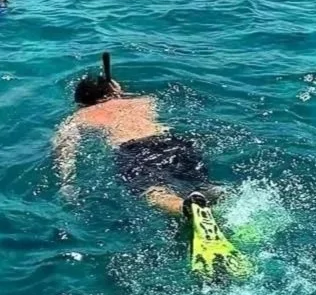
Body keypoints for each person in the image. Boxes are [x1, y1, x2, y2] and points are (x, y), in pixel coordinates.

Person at [52, 54, 216, 216]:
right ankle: (214, 195)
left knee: (153, 191)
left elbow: (65, 147)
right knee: (198, 182)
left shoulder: (79, 117)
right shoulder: (144, 101)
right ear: (113, 90)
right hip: (171, 142)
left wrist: (67, 181)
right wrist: (117, 92)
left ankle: (182, 207)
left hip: (135, 151)